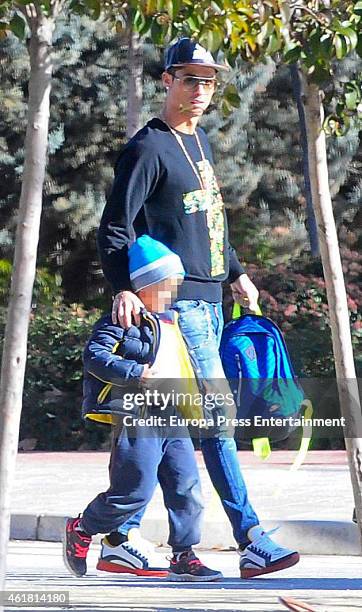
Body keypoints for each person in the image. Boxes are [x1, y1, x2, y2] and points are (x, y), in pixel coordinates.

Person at [97, 37, 300, 579]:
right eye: (189, 79)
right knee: (215, 421)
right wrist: (122, 287)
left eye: (208, 82)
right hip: (177, 305)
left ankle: (127, 536)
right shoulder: (148, 148)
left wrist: (238, 275)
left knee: (179, 427)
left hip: (212, 301)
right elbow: (116, 226)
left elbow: (208, 221)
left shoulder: (201, 142)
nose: (200, 91)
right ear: (166, 81)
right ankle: (250, 536)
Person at [63, 236, 223, 582]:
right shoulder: (126, 319)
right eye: (166, 286)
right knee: (133, 488)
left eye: (175, 285)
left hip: (174, 415)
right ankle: (83, 528)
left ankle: (184, 554)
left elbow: (182, 365)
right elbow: (95, 356)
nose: (173, 293)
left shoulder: (174, 322)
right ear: (145, 287)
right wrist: (135, 373)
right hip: (139, 414)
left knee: (187, 488)